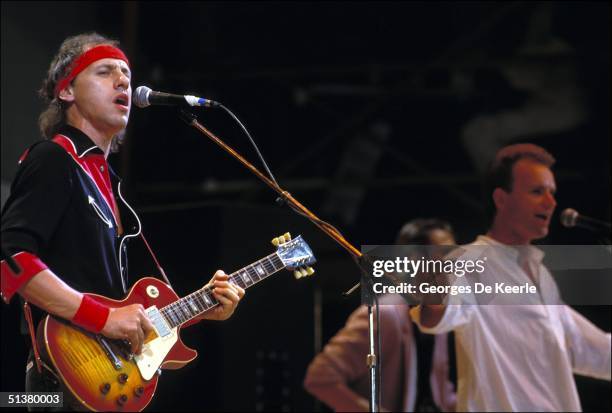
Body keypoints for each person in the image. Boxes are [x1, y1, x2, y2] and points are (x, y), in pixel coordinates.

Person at [0, 32, 244, 407]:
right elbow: (10, 263)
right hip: (52, 386)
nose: (123, 83)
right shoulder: (53, 159)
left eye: (127, 76)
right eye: (104, 72)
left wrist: (199, 310)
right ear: (66, 91)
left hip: (100, 378)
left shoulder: (104, 181)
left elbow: (121, 312)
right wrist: (103, 319)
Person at [411, 143, 611, 411]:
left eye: (552, 193)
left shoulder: (541, 275)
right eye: (537, 191)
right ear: (501, 199)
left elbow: (594, 351)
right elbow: (433, 316)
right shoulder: (471, 262)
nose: (551, 203)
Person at [303, 219, 457, 412]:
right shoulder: (384, 316)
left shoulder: (438, 315)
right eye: (444, 255)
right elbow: (320, 378)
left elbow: (436, 394)